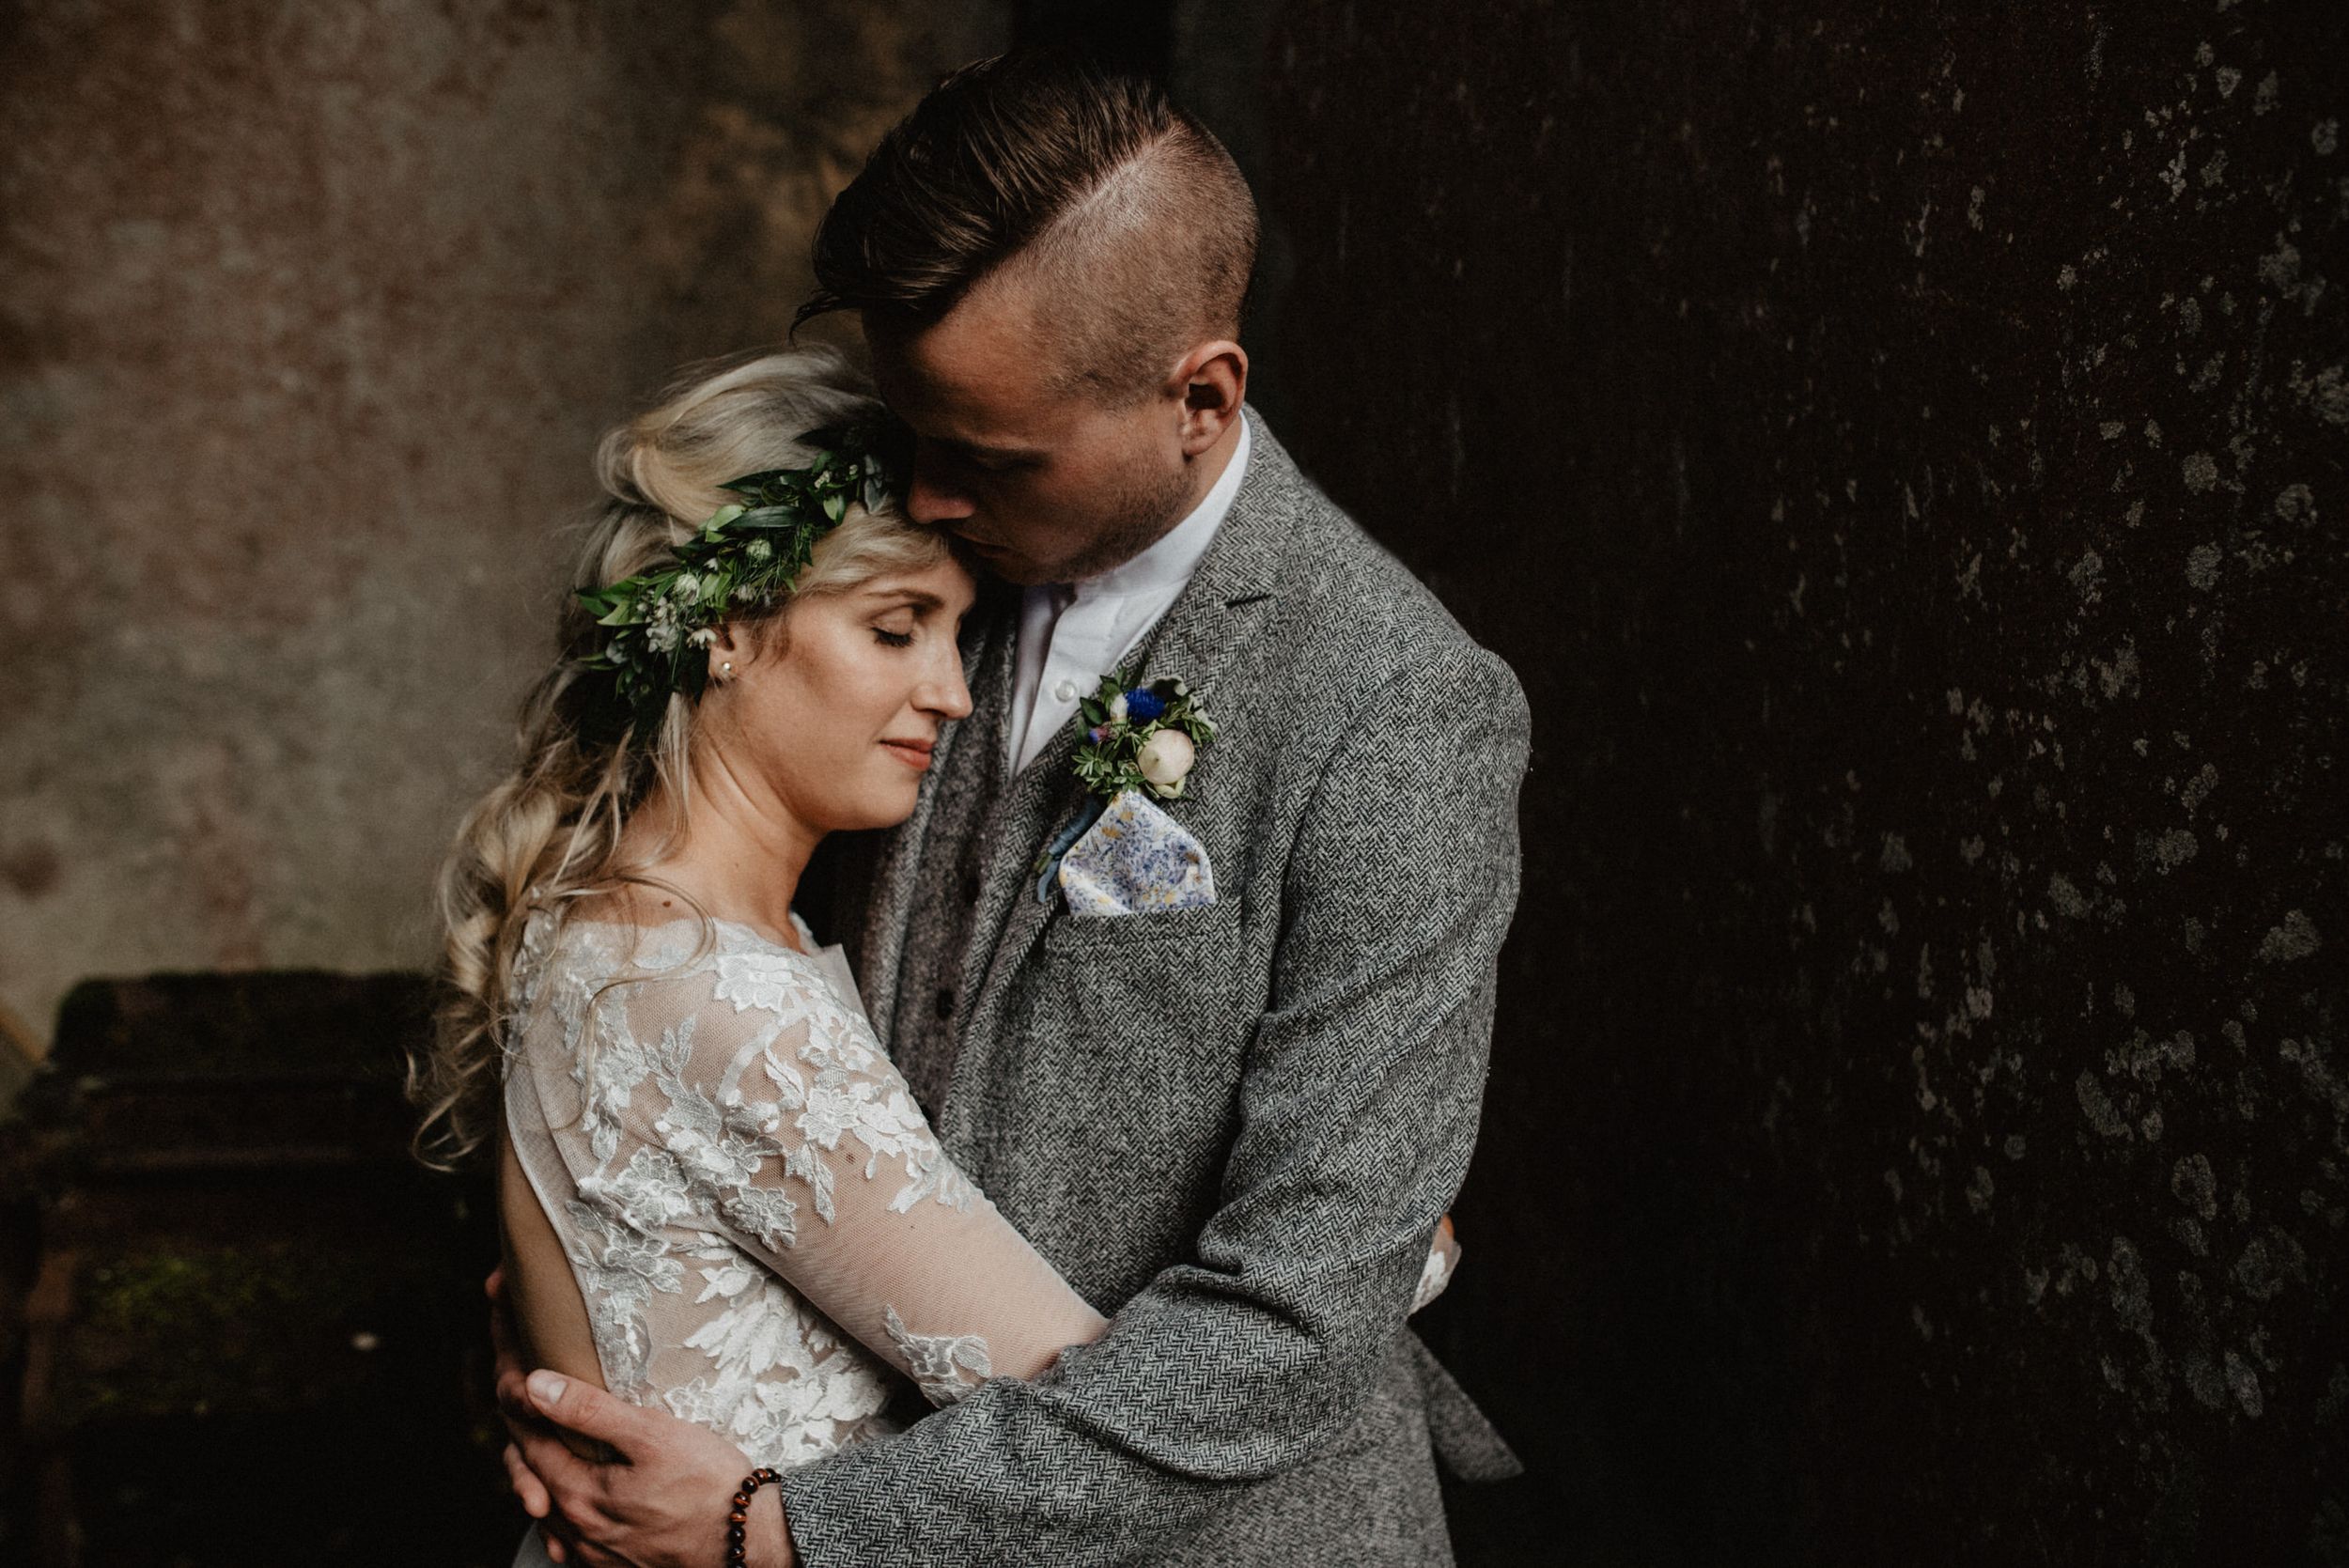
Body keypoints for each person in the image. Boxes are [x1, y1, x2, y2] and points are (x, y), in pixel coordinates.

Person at [496, 47, 1528, 1568]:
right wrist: (603, 1318)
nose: (922, 495)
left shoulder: (1395, 708)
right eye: (917, 432)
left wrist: (790, 1527)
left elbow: (1294, 1315)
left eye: (983, 457)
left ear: (1201, 397)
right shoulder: (896, 569)